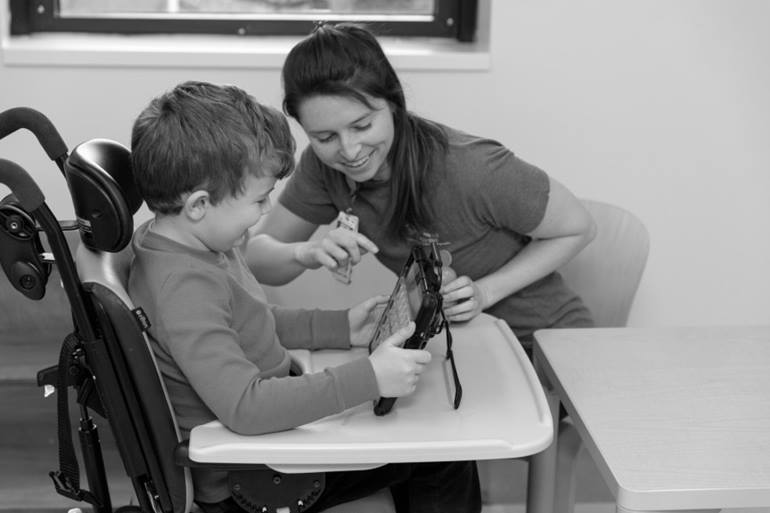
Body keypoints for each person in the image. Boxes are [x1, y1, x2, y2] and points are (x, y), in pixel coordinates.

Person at [127, 81, 481, 513]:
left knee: (422, 440)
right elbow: (246, 407)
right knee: (443, 455)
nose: (264, 213)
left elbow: (250, 320)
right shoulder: (183, 288)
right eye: (259, 200)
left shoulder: (187, 244)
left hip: (267, 446)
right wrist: (368, 377)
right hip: (256, 477)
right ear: (200, 204)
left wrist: (339, 327)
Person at [248, 23, 597, 353]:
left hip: (551, 345)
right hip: (468, 349)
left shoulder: (469, 167)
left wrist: (485, 292)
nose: (350, 150)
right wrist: (305, 253)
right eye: (325, 137)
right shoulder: (322, 168)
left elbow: (579, 227)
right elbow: (255, 259)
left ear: (394, 104)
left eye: (363, 125)